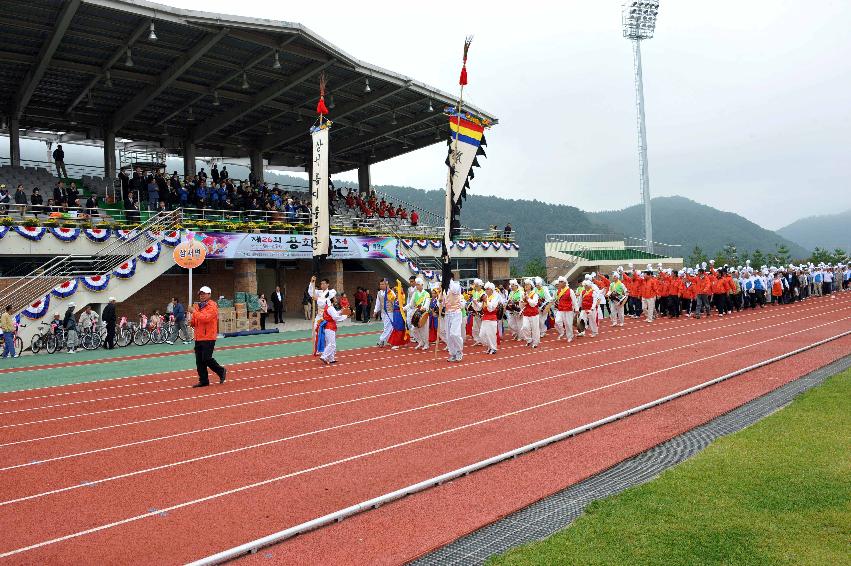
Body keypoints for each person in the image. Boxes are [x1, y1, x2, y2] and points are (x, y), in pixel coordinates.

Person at [189, 285, 226, 387]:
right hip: (198, 337)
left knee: (206, 358)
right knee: (199, 361)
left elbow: (206, 318)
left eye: (204, 294)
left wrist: (194, 312)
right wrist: (191, 321)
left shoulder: (212, 306)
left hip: (208, 337)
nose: (202, 296)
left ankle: (221, 370)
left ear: (209, 294)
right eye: (200, 294)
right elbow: (196, 321)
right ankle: (204, 380)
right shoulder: (197, 306)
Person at [314, 293, 348, 365]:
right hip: (330, 327)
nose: (336, 298)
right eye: (334, 297)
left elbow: (334, 314)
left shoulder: (329, 307)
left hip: (328, 327)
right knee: (332, 344)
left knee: (330, 343)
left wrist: (341, 312)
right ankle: (324, 356)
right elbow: (335, 317)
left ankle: (331, 358)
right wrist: (345, 316)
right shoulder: (330, 308)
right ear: (331, 298)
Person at [443, 279, 465, 362]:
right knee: (448, 336)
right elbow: (441, 303)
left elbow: (455, 290)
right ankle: (453, 353)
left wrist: (449, 282)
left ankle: (459, 351)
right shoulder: (443, 290)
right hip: (447, 314)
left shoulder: (456, 287)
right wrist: (440, 302)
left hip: (456, 313)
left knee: (454, 333)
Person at [409, 278, 431, 351]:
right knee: (413, 329)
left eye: (418, 284)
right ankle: (420, 342)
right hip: (417, 313)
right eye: (416, 284)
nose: (417, 286)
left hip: (424, 313)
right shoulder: (415, 293)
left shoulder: (426, 294)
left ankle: (426, 344)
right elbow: (411, 304)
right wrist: (405, 308)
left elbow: (427, 303)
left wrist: (424, 307)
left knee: (424, 330)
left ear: (422, 285)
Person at [553, 276, 577, 342]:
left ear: (565, 283)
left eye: (561, 282)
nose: (559, 283)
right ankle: (564, 332)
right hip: (560, 309)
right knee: (559, 322)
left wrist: (577, 309)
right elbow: (555, 299)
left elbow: (574, 300)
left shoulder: (570, 291)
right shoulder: (558, 291)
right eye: (559, 282)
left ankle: (570, 336)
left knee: (568, 323)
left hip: (568, 309)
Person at [479, 282, 501, 354]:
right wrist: (475, 302)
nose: (486, 291)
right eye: (485, 289)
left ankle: (493, 348)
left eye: (487, 289)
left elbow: (491, 308)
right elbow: (479, 308)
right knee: (482, 335)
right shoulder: (485, 297)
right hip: (485, 318)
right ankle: (489, 346)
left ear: (491, 290)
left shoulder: (495, 297)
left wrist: (486, 301)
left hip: (492, 318)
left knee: (491, 334)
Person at [520, 279, 541, 348]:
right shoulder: (523, 294)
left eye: (527, 284)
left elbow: (533, 304)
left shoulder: (535, 294)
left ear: (531, 286)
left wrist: (528, 298)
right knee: (524, 327)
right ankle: (529, 340)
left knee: (535, 328)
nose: (526, 286)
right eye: (525, 285)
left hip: (534, 313)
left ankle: (535, 342)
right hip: (526, 313)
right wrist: (522, 302)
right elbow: (521, 305)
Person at [373, 279, 394, 347]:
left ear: (386, 285)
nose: (381, 285)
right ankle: (390, 340)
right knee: (388, 327)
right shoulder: (379, 293)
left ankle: (381, 340)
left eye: (383, 284)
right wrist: (375, 311)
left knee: (387, 327)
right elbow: (378, 303)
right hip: (383, 312)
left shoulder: (390, 292)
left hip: (390, 312)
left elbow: (394, 300)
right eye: (380, 284)